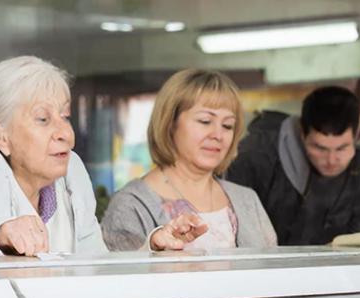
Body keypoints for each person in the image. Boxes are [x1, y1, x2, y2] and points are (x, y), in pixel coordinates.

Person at [0, 56, 106, 257]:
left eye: (65, 117)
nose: (66, 134)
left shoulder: (72, 167)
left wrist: (150, 249)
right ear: (0, 134)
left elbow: (96, 260)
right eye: (43, 119)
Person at [101, 69, 276, 252]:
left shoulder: (247, 200)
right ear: (170, 123)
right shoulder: (131, 205)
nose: (218, 135)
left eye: (227, 125)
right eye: (205, 121)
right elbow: (125, 278)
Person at [225, 85, 360, 246]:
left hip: (334, 268)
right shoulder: (255, 156)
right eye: (320, 148)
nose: (331, 160)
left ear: (357, 134)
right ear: (302, 133)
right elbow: (235, 233)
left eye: (342, 148)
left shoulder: (359, 163)